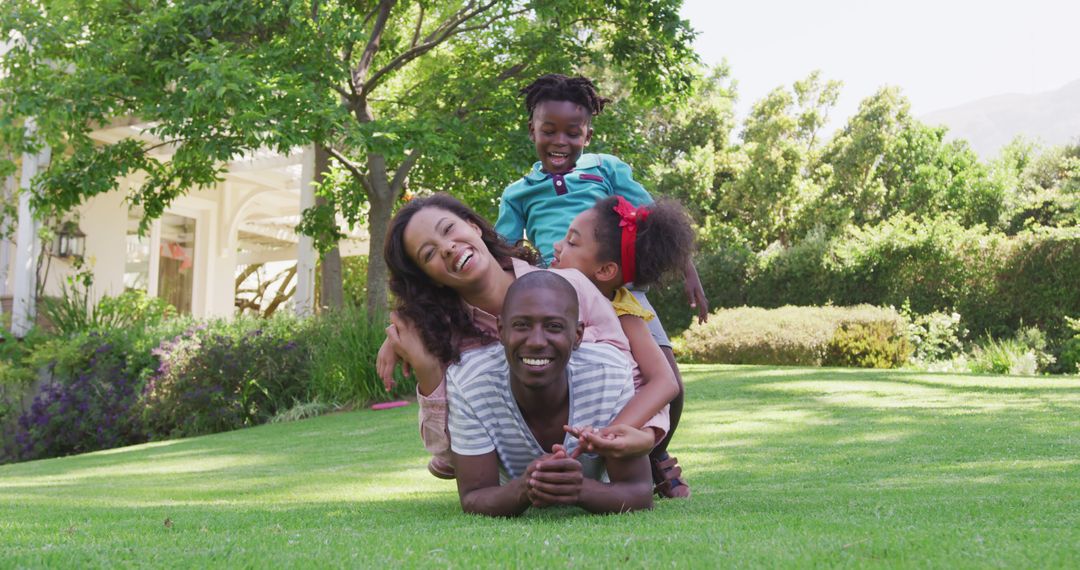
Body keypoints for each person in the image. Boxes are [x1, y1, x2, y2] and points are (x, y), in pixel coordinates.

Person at [494, 73, 702, 497]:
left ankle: (652, 451)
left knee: (665, 375)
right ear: (532, 130)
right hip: (563, 296)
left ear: (588, 132)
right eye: (548, 130)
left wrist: (688, 270)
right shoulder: (518, 192)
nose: (561, 141)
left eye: (573, 132)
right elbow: (505, 248)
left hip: (618, 288)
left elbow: (652, 222)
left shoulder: (606, 169)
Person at [377, 194, 675, 481]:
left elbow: (629, 378)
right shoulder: (443, 338)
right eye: (428, 253)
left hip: (600, 459)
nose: (446, 247)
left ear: (473, 226)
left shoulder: (569, 287)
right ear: (428, 277)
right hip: (519, 479)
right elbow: (453, 458)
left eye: (449, 229)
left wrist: (647, 436)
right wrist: (426, 368)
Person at [448, 271, 654, 516]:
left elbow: (639, 491)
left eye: (554, 326)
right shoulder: (469, 380)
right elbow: (473, 496)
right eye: (521, 325)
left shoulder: (609, 372)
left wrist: (580, 490)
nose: (536, 341)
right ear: (501, 329)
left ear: (577, 335)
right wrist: (525, 488)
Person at [551, 195, 696, 497]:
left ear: (605, 271)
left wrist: (609, 434)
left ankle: (645, 458)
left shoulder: (624, 311)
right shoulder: (546, 296)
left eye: (572, 243)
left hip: (613, 419)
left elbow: (664, 382)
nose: (557, 247)